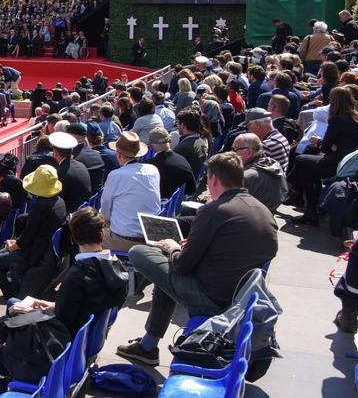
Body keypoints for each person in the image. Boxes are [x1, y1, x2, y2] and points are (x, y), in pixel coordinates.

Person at [116, 152, 277, 366]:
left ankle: (148, 346)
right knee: (166, 276)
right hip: (240, 293)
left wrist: (172, 248)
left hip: (213, 297)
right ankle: (147, 345)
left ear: (214, 179)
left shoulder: (214, 211)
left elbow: (182, 266)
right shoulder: (263, 210)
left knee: (139, 252)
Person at [0, 207, 128, 398]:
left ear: (74, 238)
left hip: (63, 338)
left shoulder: (78, 276)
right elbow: (84, 305)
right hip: (85, 328)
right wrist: (45, 304)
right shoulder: (116, 269)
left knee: (7, 322)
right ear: (101, 234)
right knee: (13, 301)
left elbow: (62, 321)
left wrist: (30, 310)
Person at [0, 165, 67, 300]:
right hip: (44, 248)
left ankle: (10, 295)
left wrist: (14, 245)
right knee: (2, 254)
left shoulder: (39, 206)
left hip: (35, 253)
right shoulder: (60, 201)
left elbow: (28, 236)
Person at [292, 86, 358, 225]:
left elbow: (326, 148)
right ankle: (310, 210)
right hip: (351, 161)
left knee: (300, 160)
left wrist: (318, 141)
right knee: (306, 171)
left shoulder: (337, 119)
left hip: (338, 163)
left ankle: (300, 197)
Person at [100, 131, 161, 252]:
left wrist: (107, 220)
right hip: (152, 235)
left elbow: (105, 210)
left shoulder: (116, 175)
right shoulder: (153, 170)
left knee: (87, 241)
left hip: (127, 240)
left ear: (118, 154)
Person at [232, 133, 287, 214]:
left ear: (249, 151)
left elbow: (231, 206)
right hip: (267, 218)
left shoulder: (244, 177)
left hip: (245, 220)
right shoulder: (275, 166)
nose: (232, 152)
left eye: (235, 149)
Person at [143, 128, 195, 199]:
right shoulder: (182, 160)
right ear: (170, 141)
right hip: (177, 203)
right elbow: (192, 188)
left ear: (151, 145)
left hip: (159, 204)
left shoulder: (148, 166)